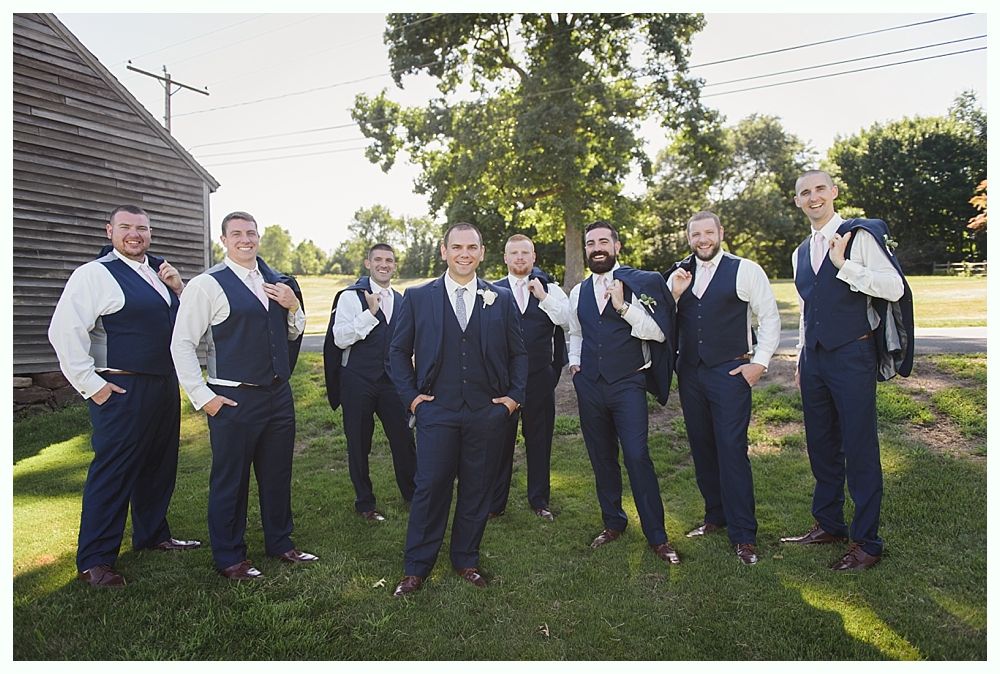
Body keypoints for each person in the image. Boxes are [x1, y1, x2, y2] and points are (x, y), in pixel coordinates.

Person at [48, 205, 200, 588]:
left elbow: (180, 325)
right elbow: (64, 332)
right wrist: (92, 385)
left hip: (163, 384)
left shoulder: (158, 273)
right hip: (122, 387)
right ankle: (95, 559)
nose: (135, 234)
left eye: (143, 228)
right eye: (126, 227)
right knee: (113, 472)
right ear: (110, 231)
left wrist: (179, 290)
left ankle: (152, 535)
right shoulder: (94, 275)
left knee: (159, 465)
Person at [170, 211, 317, 581]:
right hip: (233, 399)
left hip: (277, 396)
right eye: (236, 234)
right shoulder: (207, 285)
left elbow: (293, 333)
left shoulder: (276, 282)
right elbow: (181, 344)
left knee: (277, 473)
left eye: (251, 233)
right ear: (224, 240)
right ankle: (230, 556)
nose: (245, 239)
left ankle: (281, 542)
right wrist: (204, 397)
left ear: (259, 237)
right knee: (230, 480)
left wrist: (294, 307)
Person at [388, 223, 527, 596]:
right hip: (437, 410)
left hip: (487, 412)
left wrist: (513, 398)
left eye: (472, 247)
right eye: (457, 247)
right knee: (430, 487)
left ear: (482, 252)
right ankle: (416, 568)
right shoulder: (417, 297)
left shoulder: (502, 298)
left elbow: (519, 353)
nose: (464, 253)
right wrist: (413, 398)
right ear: (443, 251)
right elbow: (398, 352)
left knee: (477, 488)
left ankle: (466, 559)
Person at [780, 170, 906, 571]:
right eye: (805, 192)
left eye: (819, 189)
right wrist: (801, 354)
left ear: (833, 193)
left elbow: (895, 287)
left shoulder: (859, 237)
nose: (813, 197)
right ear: (798, 201)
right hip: (814, 359)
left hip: (853, 355)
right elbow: (807, 307)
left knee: (859, 447)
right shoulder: (800, 251)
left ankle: (867, 542)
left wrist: (844, 265)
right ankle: (829, 524)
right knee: (821, 445)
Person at [666, 211, 781, 565]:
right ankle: (715, 516)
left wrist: (758, 364)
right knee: (702, 447)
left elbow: (769, 315)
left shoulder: (745, 269)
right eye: (695, 234)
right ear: (689, 238)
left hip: (731, 372)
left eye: (708, 233)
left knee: (731, 449)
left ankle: (744, 535)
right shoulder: (678, 273)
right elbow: (662, 321)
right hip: (690, 374)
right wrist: (674, 294)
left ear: (720, 233)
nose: (702, 239)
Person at [567, 221, 680, 565]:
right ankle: (613, 521)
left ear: (617, 246)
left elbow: (658, 334)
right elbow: (576, 332)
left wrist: (623, 307)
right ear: (586, 250)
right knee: (602, 458)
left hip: (628, 383)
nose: (597, 247)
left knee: (636, 456)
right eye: (590, 243)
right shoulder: (578, 292)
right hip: (590, 386)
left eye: (604, 241)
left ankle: (657, 536)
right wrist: (575, 365)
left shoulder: (639, 283)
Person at [324, 243, 416, 521]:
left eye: (389, 260)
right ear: (368, 263)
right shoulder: (350, 297)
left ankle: (413, 495)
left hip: (391, 382)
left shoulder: (402, 300)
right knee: (359, 442)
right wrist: (370, 313)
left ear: (394, 265)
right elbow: (339, 338)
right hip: (358, 380)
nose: (384, 264)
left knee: (403, 439)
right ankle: (365, 503)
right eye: (378, 260)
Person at [488, 234, 570, 522]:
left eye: (525, 253)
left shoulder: (551, 289)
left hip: (538, 380)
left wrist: (543, 297)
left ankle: (539, 500)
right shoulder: (490, 290)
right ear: (505, 258)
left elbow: (567, 321)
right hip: (503, 384)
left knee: (539, 441)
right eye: (514, 253)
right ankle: (495, 503)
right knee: (500, 444)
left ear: (534, 257)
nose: (520, 257)